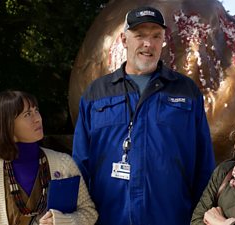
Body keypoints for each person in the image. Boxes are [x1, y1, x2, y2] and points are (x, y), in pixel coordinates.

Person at [72, 6, 215, 225]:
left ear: (163, 41)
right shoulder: (96, 93)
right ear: (124, 39)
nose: (148, 44)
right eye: (140, 35)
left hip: (172, 218)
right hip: (108, 219)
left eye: (156, 36)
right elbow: (80, 164)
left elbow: (204, 164)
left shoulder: (186, 91)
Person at [0, 90, 98, 225]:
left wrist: (62, 221)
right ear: (6, 125)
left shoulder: (64, 164)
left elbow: (89, 213)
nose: (38, 118)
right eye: (27, 114)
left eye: (36, 111)